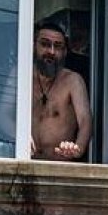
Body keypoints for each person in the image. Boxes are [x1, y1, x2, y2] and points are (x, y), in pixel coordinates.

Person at [27, 19, 92, 161]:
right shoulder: (21, 76)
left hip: (59, 166)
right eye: (45, 44)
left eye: (57, 46)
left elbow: (85, 120)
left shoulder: (73, 80)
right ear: (34, 46)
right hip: (26, 162)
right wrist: (19, 135)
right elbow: (4, 116)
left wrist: (77, 149)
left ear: (64, 52)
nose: (51, 51)